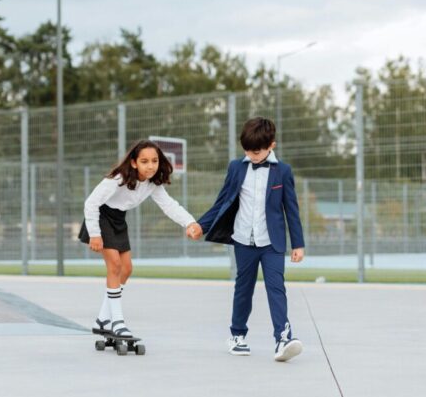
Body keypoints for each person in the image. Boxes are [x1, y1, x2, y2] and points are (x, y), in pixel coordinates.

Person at [195, 117, 305, 362]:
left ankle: (283, 339)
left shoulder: (283, 171)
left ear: (271, 146)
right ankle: (237, 335)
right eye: (247, 150)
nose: (252, 156)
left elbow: (291, 209)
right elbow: (222, 201)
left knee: (276, 288)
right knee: (243, 289)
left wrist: (298, 244)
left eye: (257, 151)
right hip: (244, 240)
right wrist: (200, 225)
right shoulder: (236, 167)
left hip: (272, 242)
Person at [79, 140, 202, 339]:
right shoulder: (118, 179)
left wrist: (189, 223)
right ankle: (117, 322)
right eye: (145, 161)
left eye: (154, 161)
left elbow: (169, 205)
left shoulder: (153, 183)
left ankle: (102, 319)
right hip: (101, 218)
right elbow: (91, 203)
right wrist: (94, 233)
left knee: (127, 269)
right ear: (134, 163)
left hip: (118, 220)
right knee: (115, 265)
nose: (151, 165)